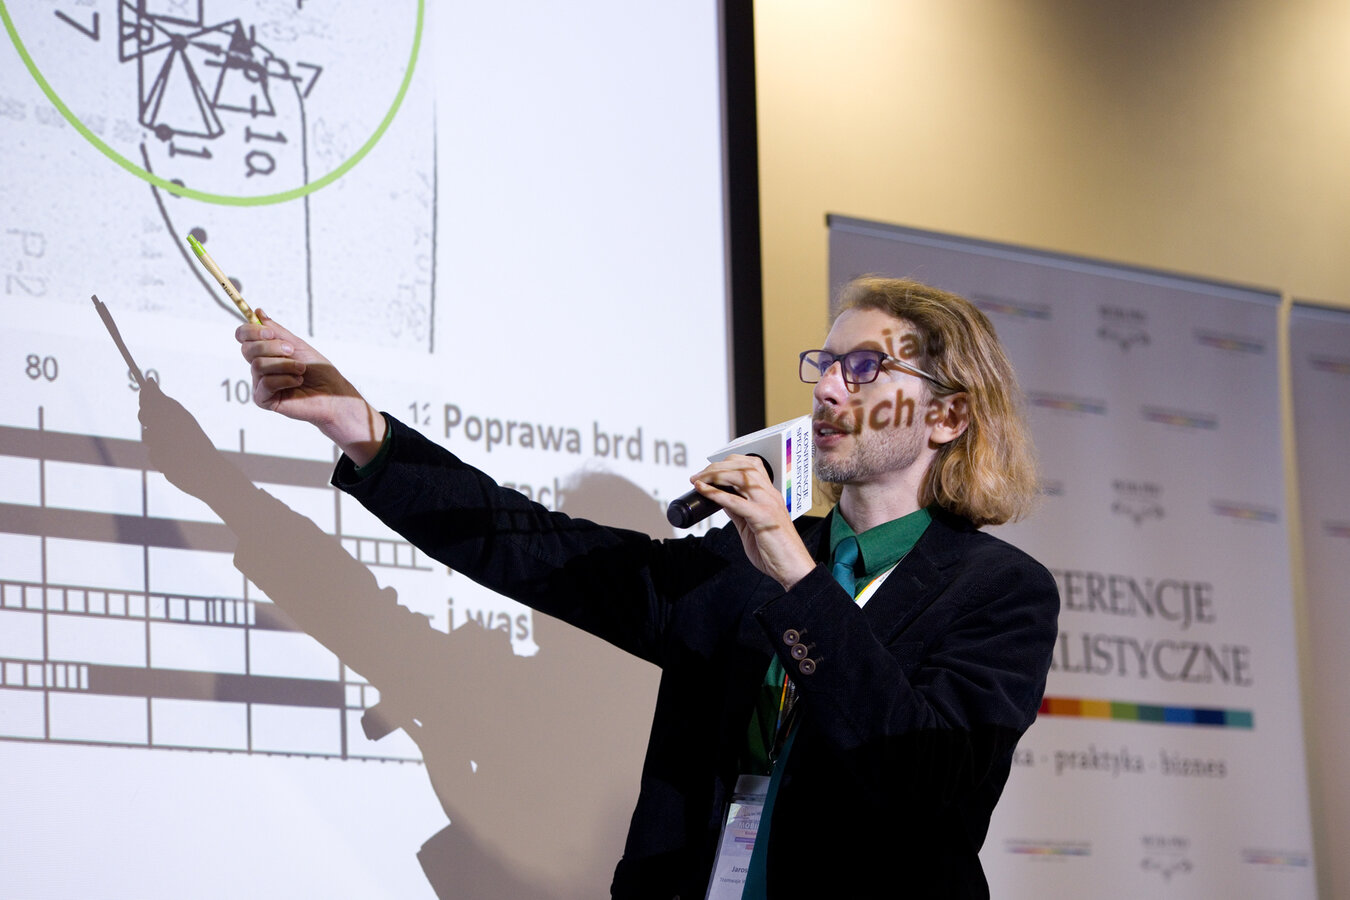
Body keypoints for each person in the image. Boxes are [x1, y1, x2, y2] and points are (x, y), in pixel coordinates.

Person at [236, 275, 1059, 899]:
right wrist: (364, 432)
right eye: (826, 364)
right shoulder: (742, 560)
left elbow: (929, 784)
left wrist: (798, 578)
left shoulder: (999, 592)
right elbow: (540, 549)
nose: (828, 388)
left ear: (947, 417)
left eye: (866, 368)